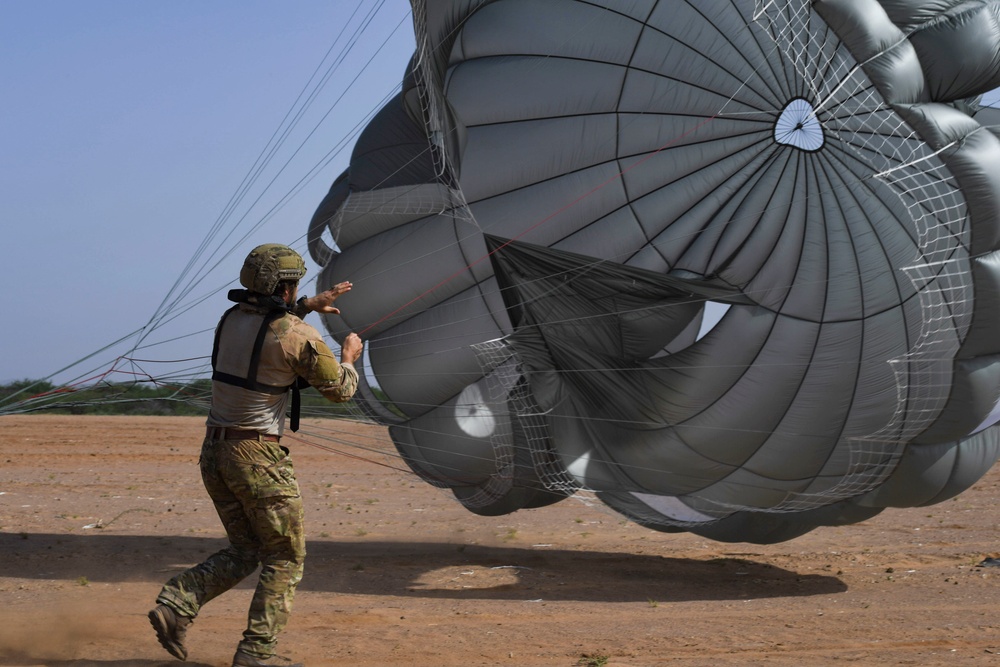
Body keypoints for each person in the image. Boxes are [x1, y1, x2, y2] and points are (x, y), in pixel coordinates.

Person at [148, 243, 363, 667]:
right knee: (284, 556)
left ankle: (176, 603)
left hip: (215, 452)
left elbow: (271, 329)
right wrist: (349, 357)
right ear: (285, 286)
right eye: (295, 284)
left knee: (246, 549)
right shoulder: (299, 334)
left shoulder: (230, 320)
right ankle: (256, 654)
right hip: (257, 458)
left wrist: (304, 305)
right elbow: (340, 390)